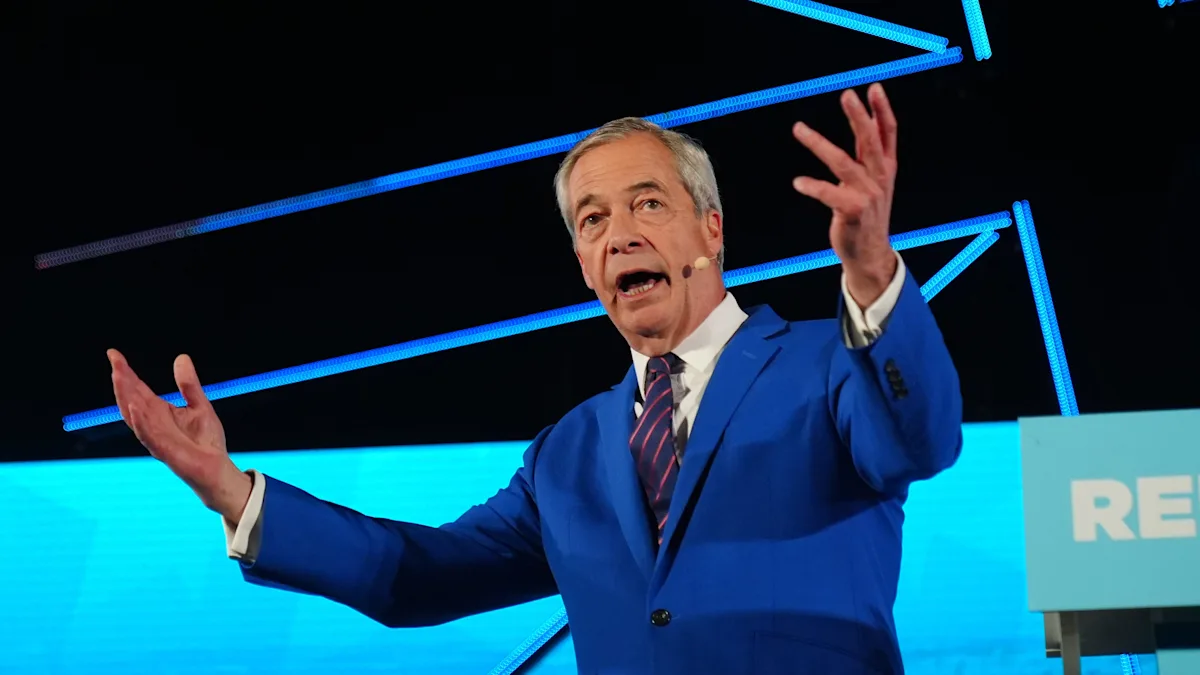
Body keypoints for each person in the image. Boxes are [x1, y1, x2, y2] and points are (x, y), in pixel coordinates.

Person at [108, 82, 962, 674]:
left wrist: (873, 271)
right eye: (593, 220)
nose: (619, 233)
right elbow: (420, 574)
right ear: (585, 266)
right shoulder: (566, 454)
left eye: (647, 203)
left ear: (711, 229)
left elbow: (920, 438)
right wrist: (233, 491)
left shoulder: (826, 364)